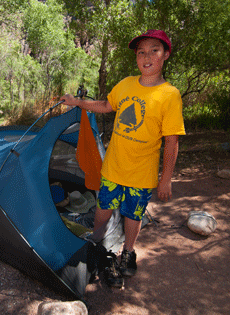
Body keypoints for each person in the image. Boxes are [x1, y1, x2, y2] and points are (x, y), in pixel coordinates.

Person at [60, 30, 186, 288]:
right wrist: (78, 102)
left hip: (142, 173)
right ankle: (96, 245)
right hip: (113, 168)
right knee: (102, 210)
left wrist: (166, 180)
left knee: (133, 214)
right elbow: (106, 105)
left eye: (154, 50)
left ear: (166, 55)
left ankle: (128, 251)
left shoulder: (169, 95)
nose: (146, 56)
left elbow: (171, 141)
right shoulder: (127, 84)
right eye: (141, 52)